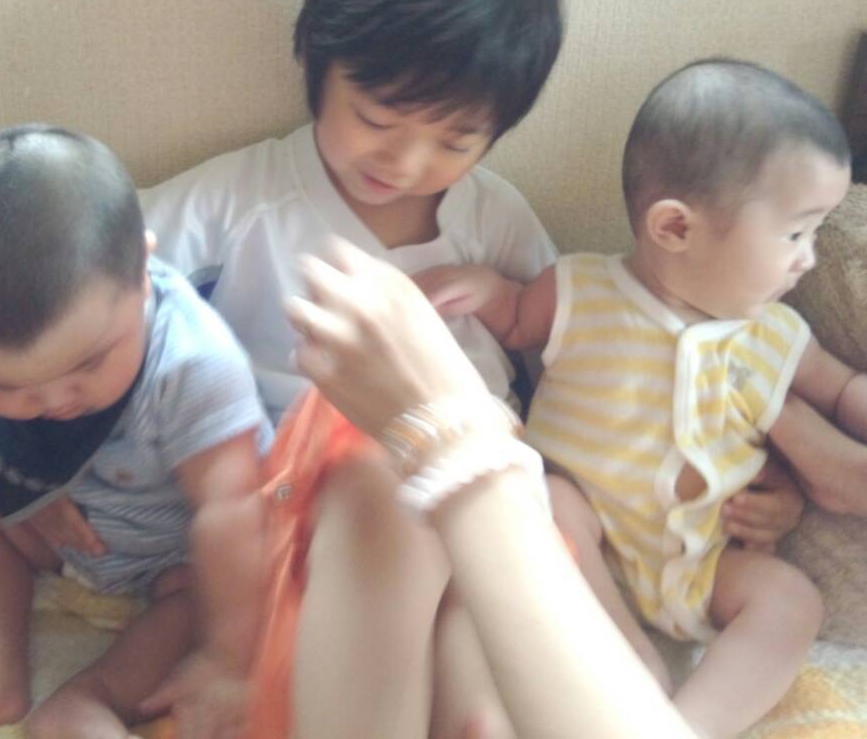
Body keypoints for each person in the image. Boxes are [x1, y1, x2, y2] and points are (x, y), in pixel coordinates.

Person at [137, 0, 799, 554]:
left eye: (454, 142)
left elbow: (599, 355)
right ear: (315, 59)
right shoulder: (239, 201)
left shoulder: (495, 217)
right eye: (375, 119)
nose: (404, 162)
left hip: (481, 504)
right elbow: (101, 274)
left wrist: (728, 467)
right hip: (306, 502)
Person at [418, 60, 867, 738]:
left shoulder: (776, 334)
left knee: (791, 601)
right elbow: (514, 318)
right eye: (794, 234)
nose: (808, 258)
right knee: (549, 497)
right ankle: (631, 659)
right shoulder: (581, 289)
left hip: (707, 562)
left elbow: (841, 390)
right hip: (588, 548)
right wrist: (483, 288)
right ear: (675, 229)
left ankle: (689, 724)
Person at [0, 126, 270, 739]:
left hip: (180, 555)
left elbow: (233, 512)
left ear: (141, 269)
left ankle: (92, 700)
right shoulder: (9, 370)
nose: (53, 401)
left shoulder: (194, 367)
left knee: (205, 595)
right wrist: (21, 484)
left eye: (88, 364)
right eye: (7, 387)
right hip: (71, 531)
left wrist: (229, 660)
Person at [278, 237, 700, 739]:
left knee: (390, 508)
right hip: (469, 483)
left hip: (456, 470)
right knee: (393, 508)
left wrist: (451, 441)